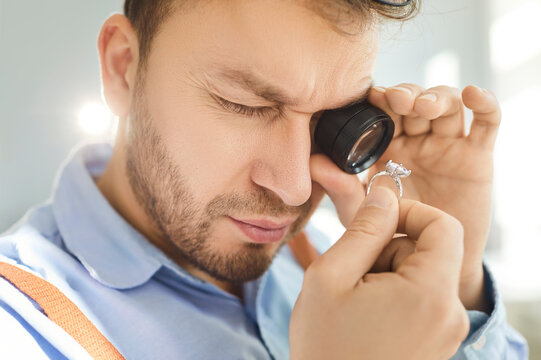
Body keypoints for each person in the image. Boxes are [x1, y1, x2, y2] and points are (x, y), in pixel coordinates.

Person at [0, 0, 529, 359]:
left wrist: (454, 288)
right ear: (123, 68)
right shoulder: (20, 328)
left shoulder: (334, 258)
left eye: (333, 119)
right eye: (246, 104)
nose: (297, 189)